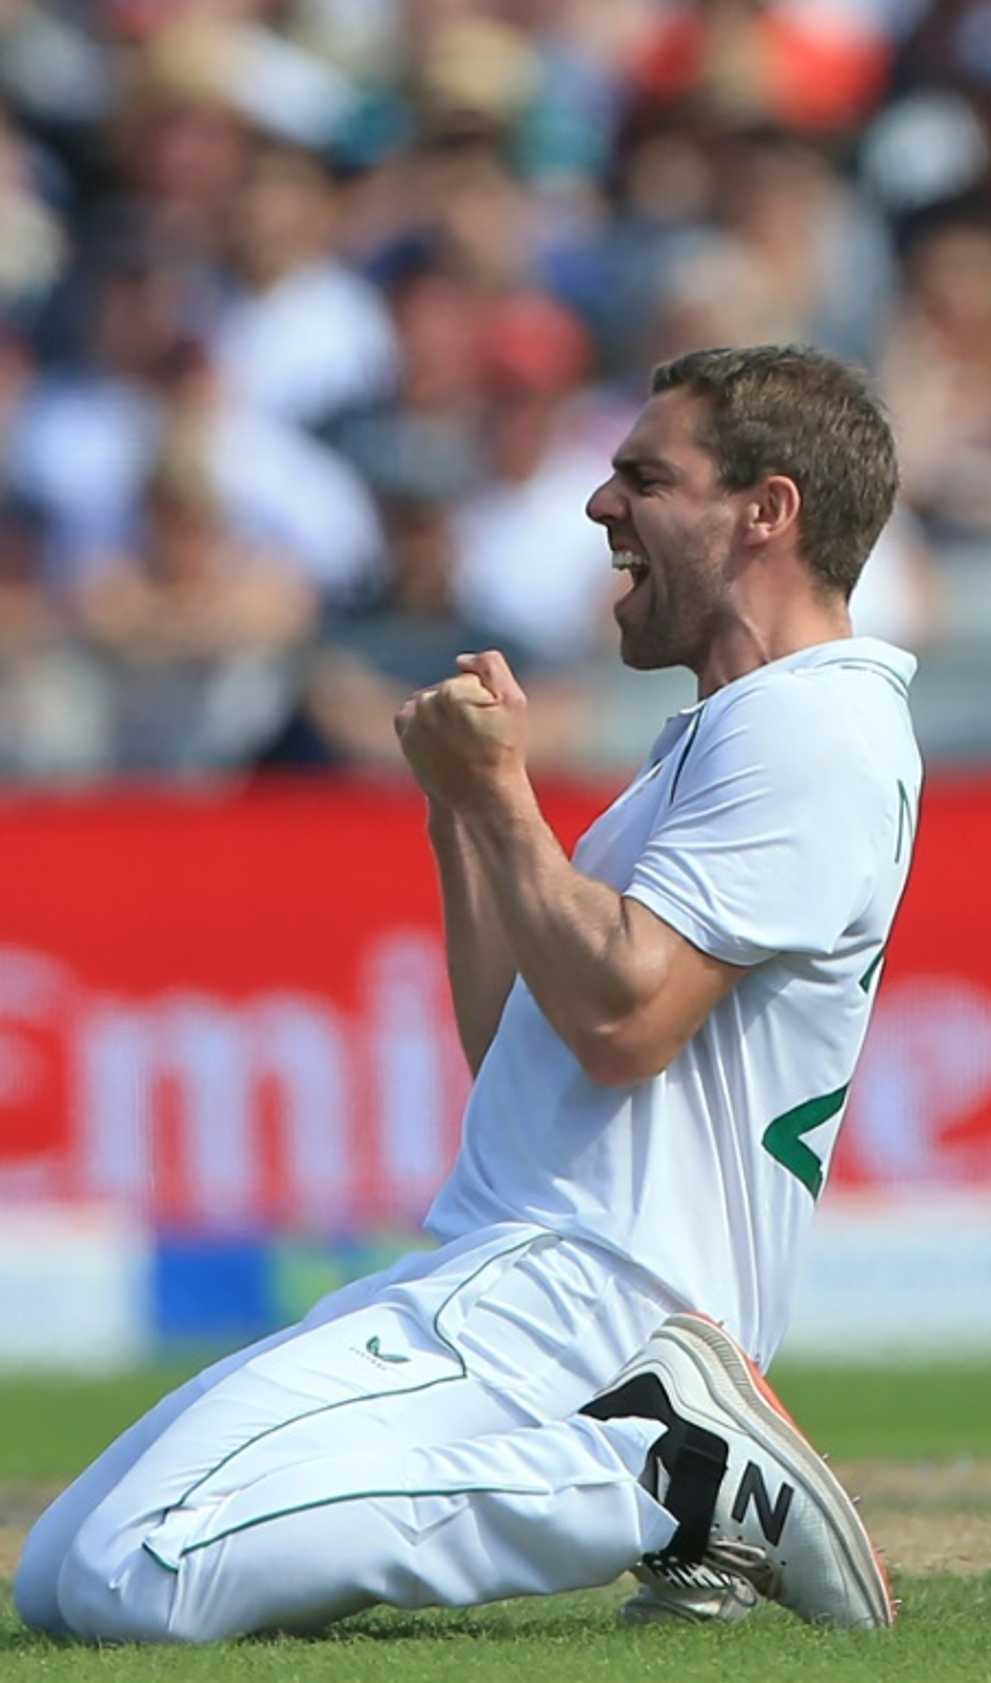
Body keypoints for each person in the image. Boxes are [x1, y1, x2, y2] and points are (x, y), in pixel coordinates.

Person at [14, 345, 920, 1643]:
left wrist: (504, 800)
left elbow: (623, 1022)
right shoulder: (744, 729)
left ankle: (668, 1483)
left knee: (133, 1573)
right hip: (533, 1276)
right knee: (59, 1570)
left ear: (767, 510)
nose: (601, 508)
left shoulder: (810, 726)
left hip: (587, 1295)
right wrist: (465, 812)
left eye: (643, 478)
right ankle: (673, 1468)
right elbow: (519, 1030)